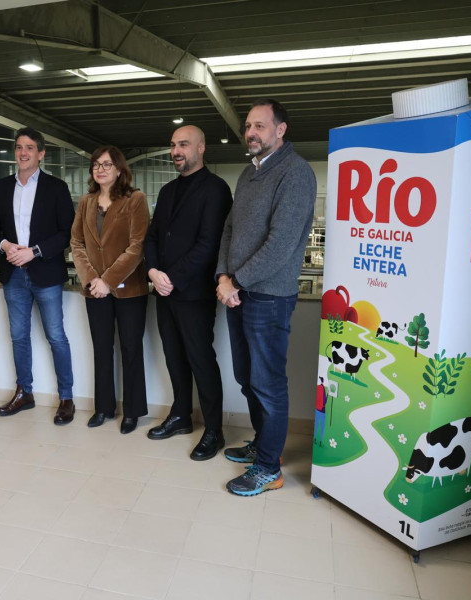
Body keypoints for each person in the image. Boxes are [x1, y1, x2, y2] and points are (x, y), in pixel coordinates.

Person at [216, 98, 316, 496]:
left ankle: (269, 467)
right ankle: (263, 445)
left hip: (269, 297)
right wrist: (224, 276)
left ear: (280, 130)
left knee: (268, 382)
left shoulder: (297, 173)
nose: (251, 133)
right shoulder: (247, 173)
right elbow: (229, 230)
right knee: (246, 377)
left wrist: (235, 281)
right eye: (248, 127)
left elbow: (281, 244)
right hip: (238, 292)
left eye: (260, 126)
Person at [143, 125, 232, 460]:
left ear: (201, 148)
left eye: (183, 144)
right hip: (165, 292)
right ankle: (181, 416)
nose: (176, 151)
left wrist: (171, 278)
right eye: (173, 145)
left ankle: (213, 431)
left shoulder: (216, 189)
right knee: (174, 357)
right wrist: (153, 272)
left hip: (194, 294)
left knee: (201, 360)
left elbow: (209, 245)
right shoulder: (167, 191)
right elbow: (151, 237)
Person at [0, 127, 76, 425]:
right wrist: (5, 245)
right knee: (19, 337)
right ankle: (24, 393)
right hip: (13, 274)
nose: (23, 153)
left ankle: (66, 398)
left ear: (41, 153)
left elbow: (67, 232)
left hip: (46, 273)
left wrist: (34, 251)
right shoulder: (1, 187)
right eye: (19, 147)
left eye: (29, 148)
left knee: (56, 337)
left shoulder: (56, 187)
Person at [71, 146, 150, 434]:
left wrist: (109, 279)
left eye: (106, 164)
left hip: (129, 290)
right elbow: (77, 244)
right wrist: (94, 279)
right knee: (102, 350)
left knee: (131, 350)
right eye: (96, 164)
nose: (100, 169)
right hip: (95, 291)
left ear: (119, 169)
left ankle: (132, 411)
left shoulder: (135, 199)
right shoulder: (86, 202)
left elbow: (137, 246)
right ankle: (103, 407)